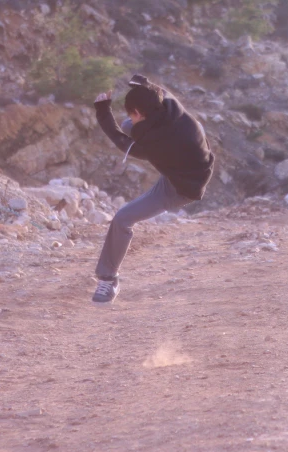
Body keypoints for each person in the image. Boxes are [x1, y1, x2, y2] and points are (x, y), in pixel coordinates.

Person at [91, 74, 214, 303]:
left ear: (139, 112)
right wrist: (139, 83)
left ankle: (108, 280)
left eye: (132, 113)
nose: (131, 118)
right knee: (130, 127)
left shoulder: (157, 146)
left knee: (122, 218)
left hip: (181, 188)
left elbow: (120, 141)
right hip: (189, 160)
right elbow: (153, 88)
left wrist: (102, 110)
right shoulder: (169, 103)